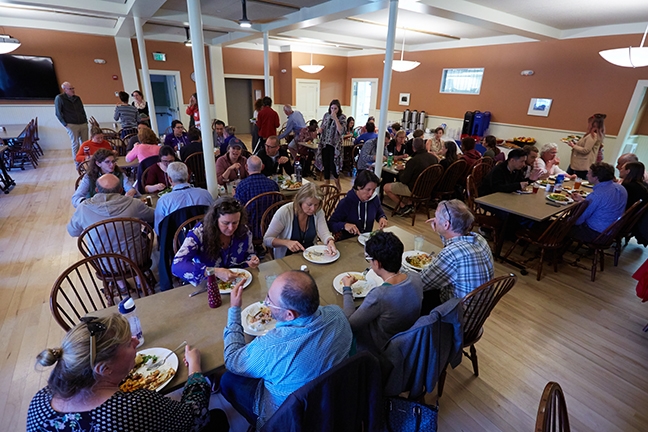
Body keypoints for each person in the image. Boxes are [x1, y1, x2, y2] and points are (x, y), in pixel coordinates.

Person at [26, 314, 224, 432]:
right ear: (104, 369)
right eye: (129, 344)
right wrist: (195, 368)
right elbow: (195, 416)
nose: (136, 342)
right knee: (217, 419)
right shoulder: (133, 407)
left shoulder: (38, 403)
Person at [220, 270, 353, 429]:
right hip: (330, 401)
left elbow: (232, 359)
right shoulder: (338, 315)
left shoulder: (270, 347)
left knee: (227, 380)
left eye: (269, 300)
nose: (265, 302)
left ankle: (260, 425)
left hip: (287, 416)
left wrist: (234, 310)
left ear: (290, 315)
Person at [341, 231, 423, 353]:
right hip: (406, 338)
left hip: (381, 347)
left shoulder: (380, 295)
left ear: (377, 263)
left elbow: (350, 324)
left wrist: (347, 289)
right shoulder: (416, 277)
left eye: (369, 259)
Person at [420, 199, 494, 309]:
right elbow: (453, 241)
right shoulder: (479, 239)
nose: (434, 219)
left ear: (446, 224)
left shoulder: (452, 254)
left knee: (412, 294)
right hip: (477, 315)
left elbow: (422, 283)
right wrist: (440, 230)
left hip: (456, 317)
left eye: (436, 216)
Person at [172, 197, 259, 286]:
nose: (231, 228)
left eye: (235, 222)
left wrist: (251, 259)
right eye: (225, 223)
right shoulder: (199, 233)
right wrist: (214, 271)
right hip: (208, 285)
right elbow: (177, 266)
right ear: (215, 220)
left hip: (238, 282)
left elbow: (249, 253)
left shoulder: (243, 230)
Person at [68, 173, 154, 258]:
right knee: (144, 239)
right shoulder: (134, 204)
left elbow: (73, 232)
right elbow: (153, 216)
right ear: (121, 190)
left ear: (97, 190)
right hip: (136, 258)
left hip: (103, 263)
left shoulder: (83, 208)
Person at [264, 183, 336, 258]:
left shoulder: (318, 212)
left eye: (316, 204)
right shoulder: (284, 212)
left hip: (311, 256)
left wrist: (330, 241)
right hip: (286, 258)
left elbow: (324, 233)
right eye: (309, 204)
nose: (313, 209)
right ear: (300, 201)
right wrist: (286, 242)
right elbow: (267, 240)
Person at [570, 162, 627, 242]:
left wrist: (568, 222)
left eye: (589, 173)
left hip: (596, 234)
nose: (586, 175)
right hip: (612, 231)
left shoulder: (596, 195)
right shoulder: (621, 188)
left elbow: (579, 220)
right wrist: (583, 201)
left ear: (596, 177)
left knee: (562, 226)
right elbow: (604, 205)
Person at [154, 161, 214, 234]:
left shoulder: (163, 201)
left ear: (169, 179)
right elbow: (214, 218)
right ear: (188, 176)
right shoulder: (205, 194)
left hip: (178, 243)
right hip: (204, 238)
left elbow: (159, 230)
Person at [384, 138, 438, 215]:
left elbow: (404, 180)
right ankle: (410, 204)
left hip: (414, 190)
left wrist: (401, 170)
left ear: (413, 148)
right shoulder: (433, 158)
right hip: (428, 189)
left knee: (386, 187)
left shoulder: (413, 161)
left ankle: (403, 206)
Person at [329, 170, 387, 240]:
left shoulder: (374, 199)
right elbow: (331, 224)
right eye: (368, 190)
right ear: (359, 187)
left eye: (374, 190)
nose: (371, 194)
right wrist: (344, 225)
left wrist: (382, 218)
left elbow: (379, 212)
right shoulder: (346, 203)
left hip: (366, 240)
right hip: (348, 241)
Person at [71, 149, 136, 208]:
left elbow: (130, 189)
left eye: (113, 161)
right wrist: (87, 203)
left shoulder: (120, 174)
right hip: (95, 208)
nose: (112, 165)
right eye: (107, 162)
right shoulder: (89, 177)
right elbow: (75, 198)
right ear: (98, 163)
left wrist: (131, 191)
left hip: (117, 207)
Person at [315, 99, 347, 191]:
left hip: (335, 145)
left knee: (334, 166)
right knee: (326, 165)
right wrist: (320, 130)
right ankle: (326, 188)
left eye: (335, 108)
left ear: (339, 109)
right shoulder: (326, 116)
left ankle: (338, 186)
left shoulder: (342, 117)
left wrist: (335, 118)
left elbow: (341, 131)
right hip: (325, 144)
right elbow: (322, 126)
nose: (333, 110)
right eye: (331, 108)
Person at [55, 81, 88, 163]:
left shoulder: (77, 98)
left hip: (82, 123)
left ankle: (86, 160)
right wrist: (65, 124)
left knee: (85, 144)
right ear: (65, 90)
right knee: (75, 144)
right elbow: (58, 113)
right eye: (70, 89)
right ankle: (78, 162)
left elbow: (82, 110)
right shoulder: (60, 98)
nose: (73, 90)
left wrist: (85, 120)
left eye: (73, 88)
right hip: (71, 124)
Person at [567, 113, 605, 179]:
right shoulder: (591, 135)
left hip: (582, 166)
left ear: (593, 124)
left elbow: (586, 150)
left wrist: (573, 146)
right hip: (578, 164)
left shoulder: (593, 136)